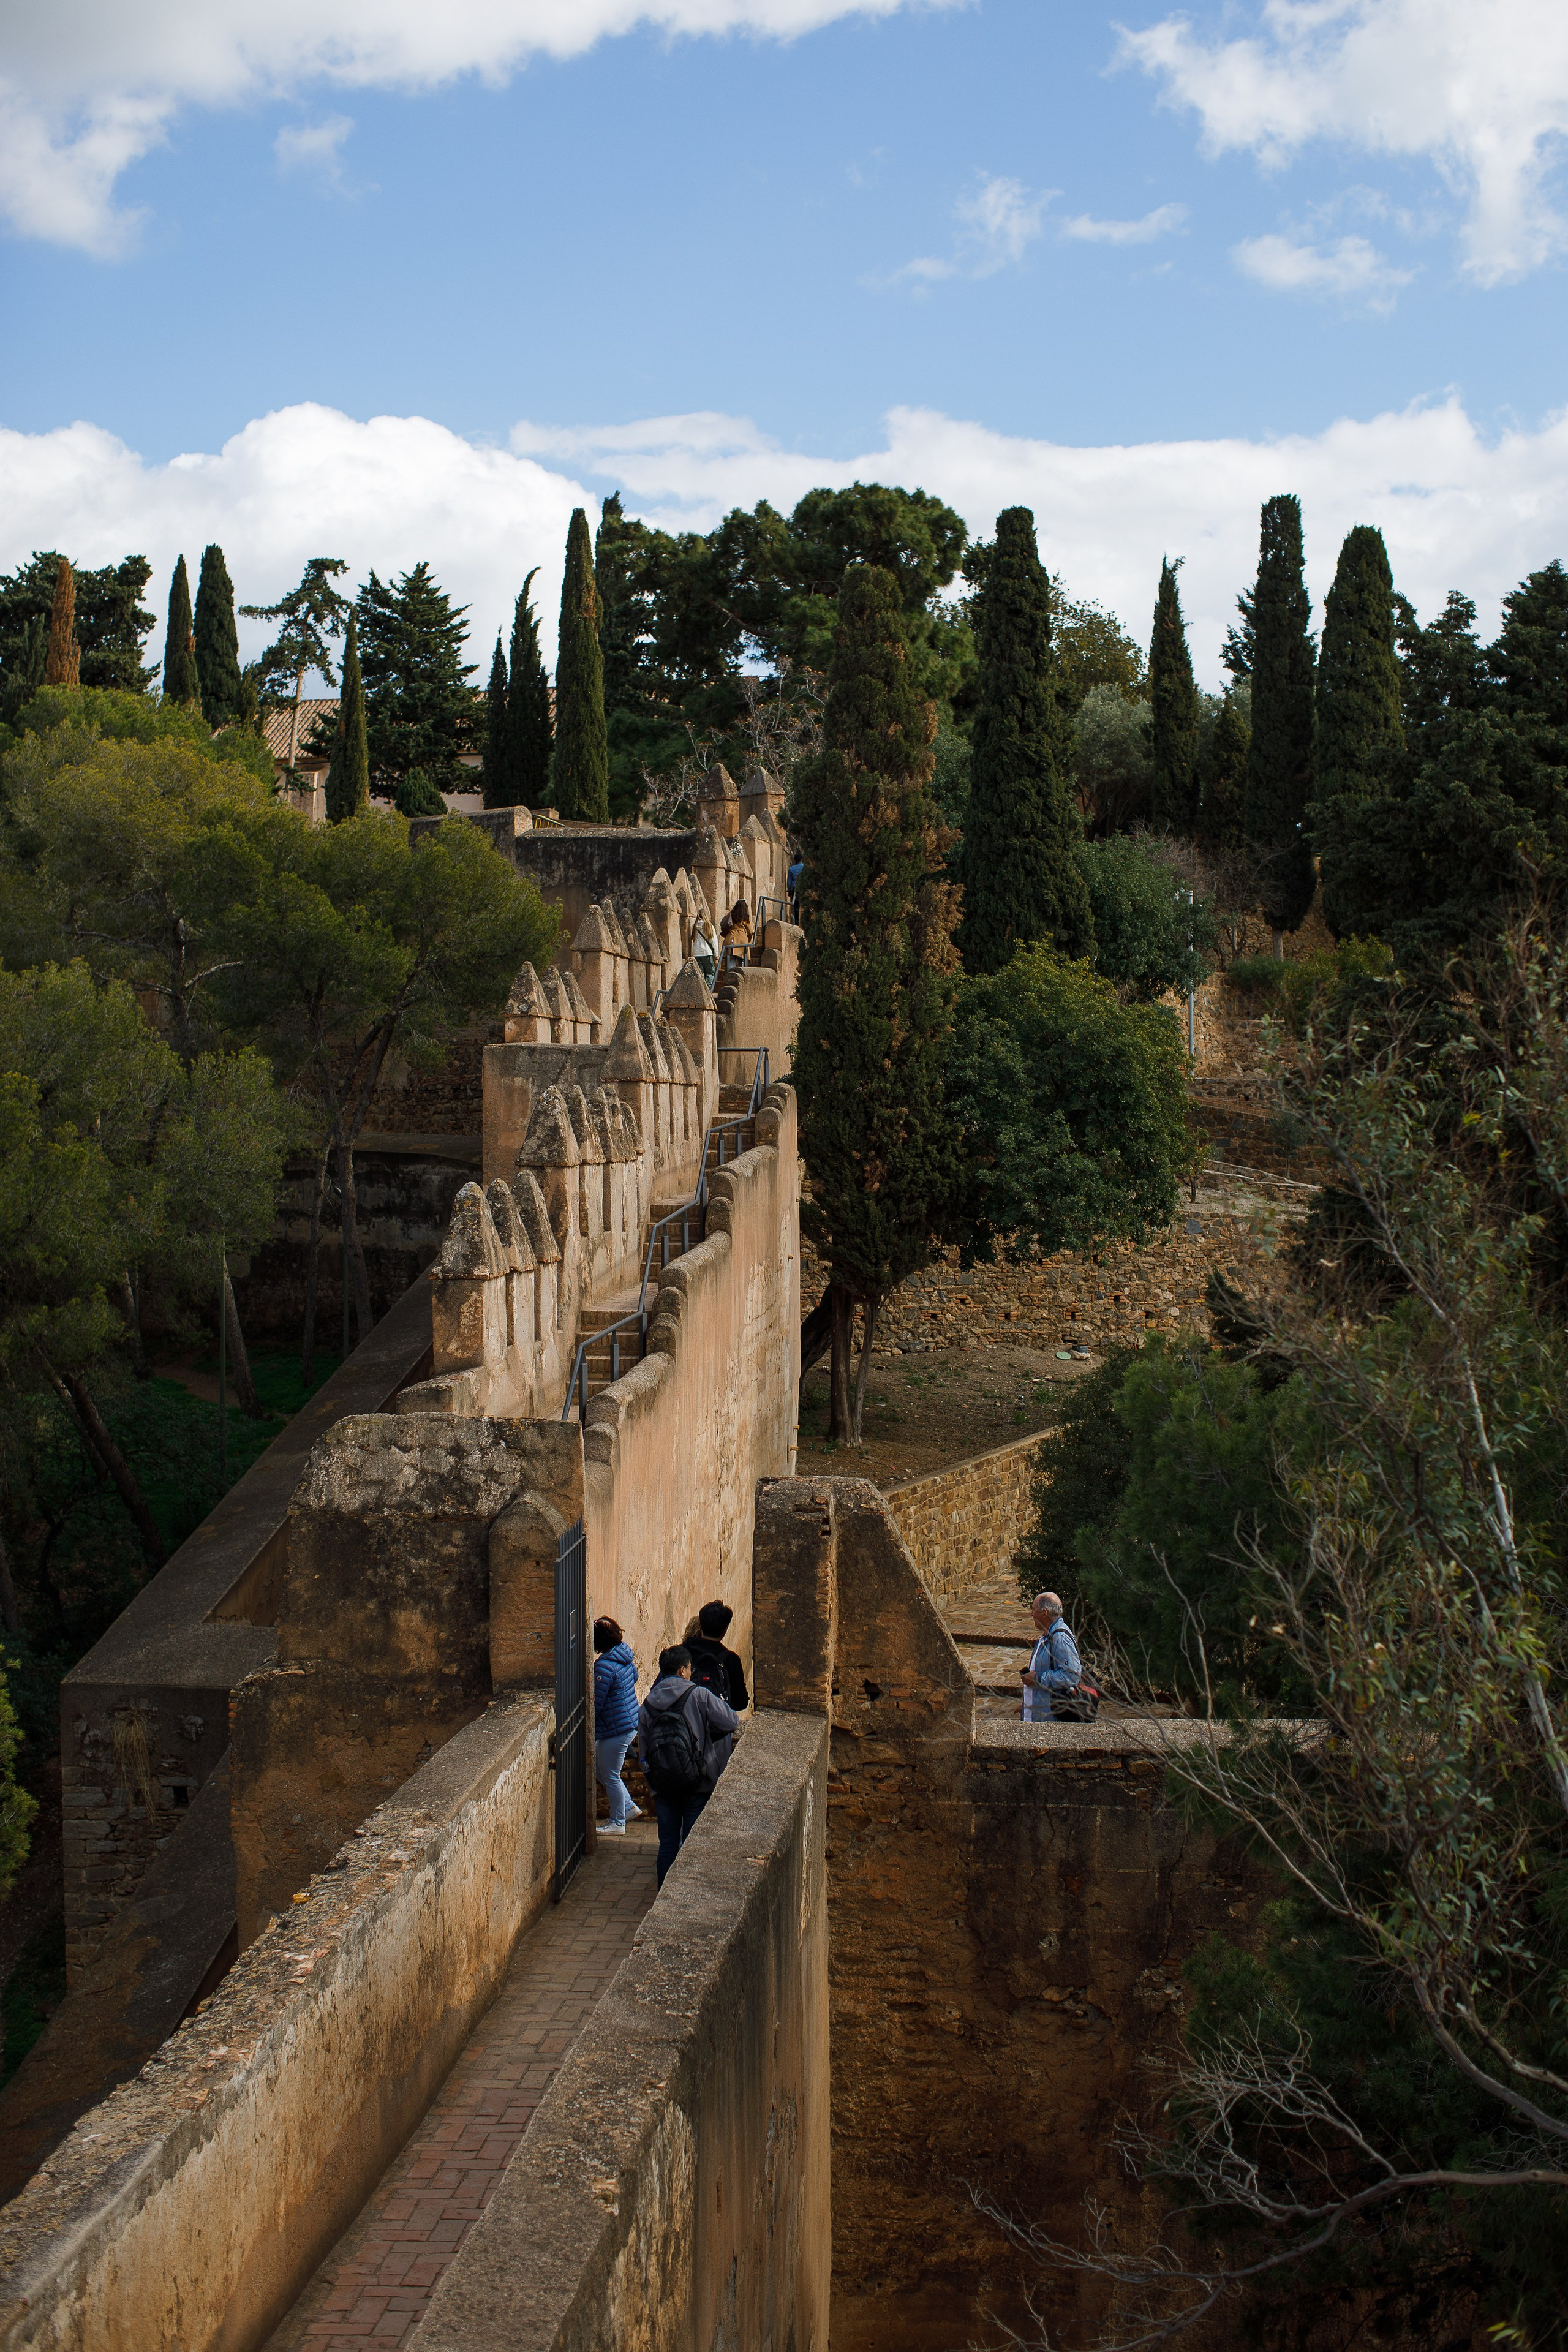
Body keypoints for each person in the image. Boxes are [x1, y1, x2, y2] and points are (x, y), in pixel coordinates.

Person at [638, 1643, 737, 1887]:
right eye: (690, 1668)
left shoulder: (648, 1704)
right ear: (683, 1670)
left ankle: (663, 1894)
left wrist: (653, 1782)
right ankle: (688, 1892)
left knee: (668, 1845)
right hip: (697, 1782)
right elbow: (731, 1721)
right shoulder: (699, 1695)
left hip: (663, 1786)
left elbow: (643, 1751)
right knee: (692, 1845)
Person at [592, 1616, 642, 1834]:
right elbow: (635, 1677)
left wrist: (589, 1727)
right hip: (627, 1723)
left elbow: (596, 1703)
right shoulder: (624, 1655)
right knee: (601, 1771)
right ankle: (628, 1807)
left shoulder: (604, 1666)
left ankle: (618, 1822)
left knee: (610, 1775)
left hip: (616, 1728)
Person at [685, 1600, 750, 1767]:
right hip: (717, 1738)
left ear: (700, 1625)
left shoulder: (681, 1653)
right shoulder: (731, 1660)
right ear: (725, 1631)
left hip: (683, 1731)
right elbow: (741, 1703)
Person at [1020, 1591, 1084, 1723]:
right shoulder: (1047, 1636)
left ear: (1044, 1613)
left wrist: (1038, 1678)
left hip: (1051, 1719)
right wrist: (1028, 1704)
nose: (1032, 1614)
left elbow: (1071, 1676)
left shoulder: (1060, 1638)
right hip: (1041, 1714)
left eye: (1033, 1609)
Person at [693, 916, 718, 989]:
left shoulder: (695, 926)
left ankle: (698, 991)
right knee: (710, 973)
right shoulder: (709, 926)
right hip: (707, 952)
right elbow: (714, 941)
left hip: (696, 952)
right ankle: (707, 991)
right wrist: (716, 954)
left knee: (698, 974)